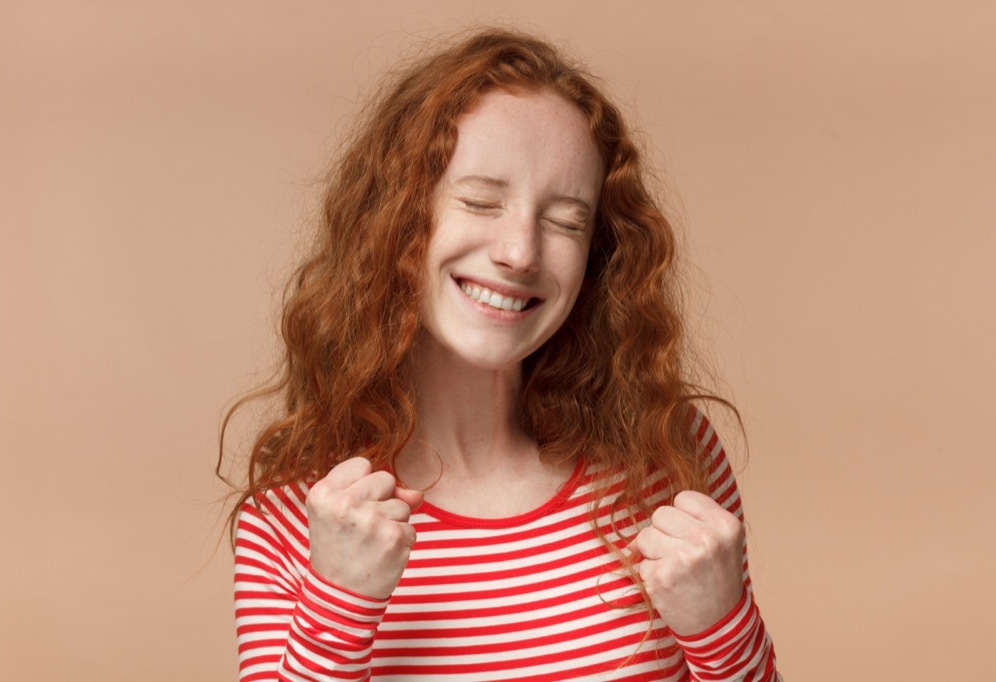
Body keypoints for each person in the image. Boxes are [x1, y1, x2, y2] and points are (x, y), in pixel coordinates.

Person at [221, 29, 781, 681]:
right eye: (481, 202)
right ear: (395, 221)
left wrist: (722, 626)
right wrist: (339, 605)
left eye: (566, 221)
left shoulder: (666, 452)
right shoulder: (294, 514)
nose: (520, 252)